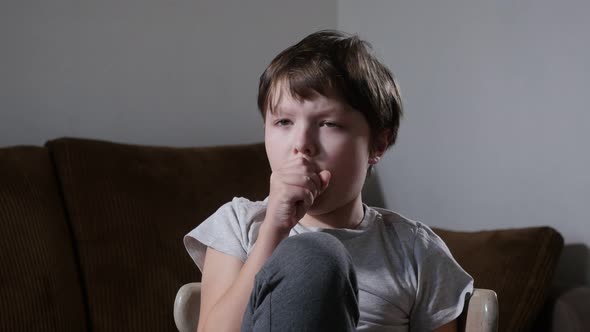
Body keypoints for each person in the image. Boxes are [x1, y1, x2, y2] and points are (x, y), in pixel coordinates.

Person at [184, 30, 473, 332]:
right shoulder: (239, 224)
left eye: (328, 124)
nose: (302, 143)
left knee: (317, 255)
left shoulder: (415, 251)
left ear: (378, 145)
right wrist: (273, 231)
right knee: (312, 256)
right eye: (283, 122)